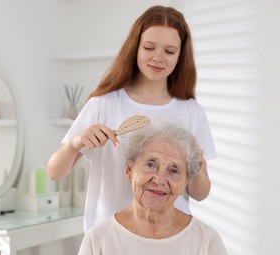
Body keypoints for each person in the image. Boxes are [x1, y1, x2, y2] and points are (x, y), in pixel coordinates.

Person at [47, 5, 216, 232]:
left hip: (170, 239)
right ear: (135, 47)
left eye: (169, 51)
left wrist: (196, 164)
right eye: (149, 47)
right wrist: (76, 143)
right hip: (110, 236)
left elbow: (200, 193)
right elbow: (54, 172)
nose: (158, 58)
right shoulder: (104, 104)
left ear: (180, 56)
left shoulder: (191, 112)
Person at [77, 121, 228, 255]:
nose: (159, 179)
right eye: (150, 165)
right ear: (129, 171)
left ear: (184, 184)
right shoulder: (98, 239)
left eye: (174, 170)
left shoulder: (207, 241)